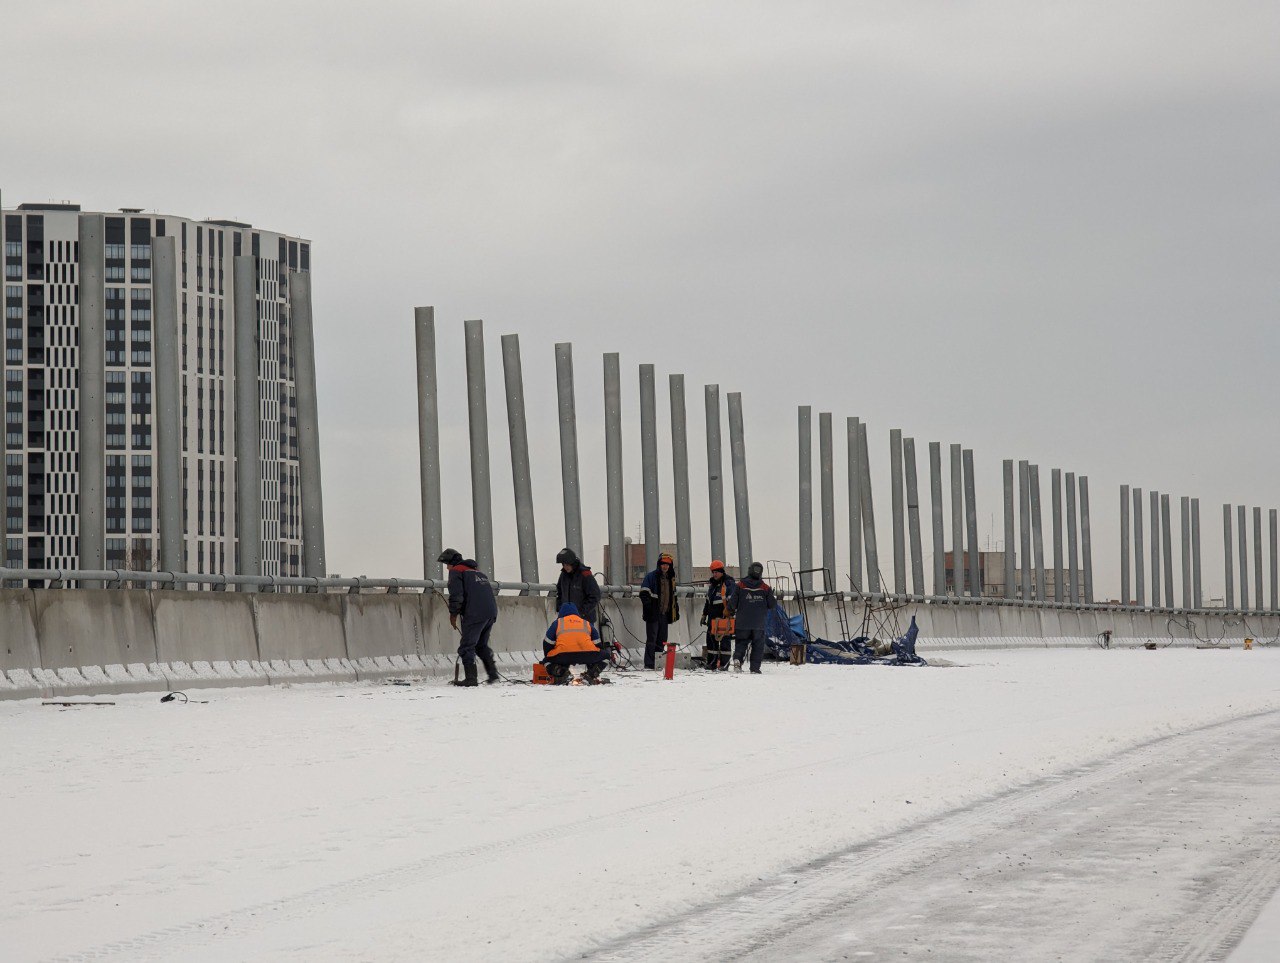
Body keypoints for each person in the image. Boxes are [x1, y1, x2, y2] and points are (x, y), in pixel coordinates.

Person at [439, 548, 499, 687]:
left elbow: (456, 596)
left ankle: (471, 679)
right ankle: (493, 674)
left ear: (452, 563)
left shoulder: (456, 571)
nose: (447, 568)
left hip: (475, 613)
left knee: (467, 646)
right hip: (490, 612)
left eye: (447, 564)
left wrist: (453, 614)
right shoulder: (478, 572)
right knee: (481, 645)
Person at [542, 602, 606, 684]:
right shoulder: (586, 623)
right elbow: (597, 643)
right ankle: (591, 675)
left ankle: (562, 673)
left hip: (563, 655)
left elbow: (547, 643)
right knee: (606, 656)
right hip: (587, 654)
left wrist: (550, 656)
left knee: (546, 661)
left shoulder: (557, 623)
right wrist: (593, 661)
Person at [732, 561, 776, 674]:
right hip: (758, 624)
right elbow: (772, 605)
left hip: (742, 623)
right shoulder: (765, 588)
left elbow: (732, 604)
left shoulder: (740, 585)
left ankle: (737, 660)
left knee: (741, 643)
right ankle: (755, 668)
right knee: (758, 645)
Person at [639, 552, 680, 670]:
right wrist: (649, 609)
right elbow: (643, 594)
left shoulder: (671, 580)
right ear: (659, 564)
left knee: (662, 639)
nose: (665, 566)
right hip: (653, 614)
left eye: (667, 564)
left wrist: (675, 611)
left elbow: (674, 598)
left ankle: (658, 663)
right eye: (663, 564)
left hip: (665, 614)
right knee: (652, 639)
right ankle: (649, 664)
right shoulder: (651, 577)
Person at [700, 559, 738, 670]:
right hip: (712, 618)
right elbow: (708, 602)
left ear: (722, 571)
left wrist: (729, 612)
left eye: (717, 572)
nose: (715, 574)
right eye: (713, 572)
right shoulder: (712, 586)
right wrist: (704, 614)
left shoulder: (728, 583)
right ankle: (712, 663)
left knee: (725, 642)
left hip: (723, 618)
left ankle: (724, 664)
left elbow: (733, 600)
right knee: (711, 642)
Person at [552, 548, 602, 626]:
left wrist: (581, 613)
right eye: (563, 565)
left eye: (567, 564)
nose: (565, 567)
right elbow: (560, 592)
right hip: (567, 620)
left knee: (585, 638)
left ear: (572, 563)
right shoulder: (563, 575)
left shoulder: (585, 574)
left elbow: (595, 596)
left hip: (584, 620)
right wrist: (561, 609)